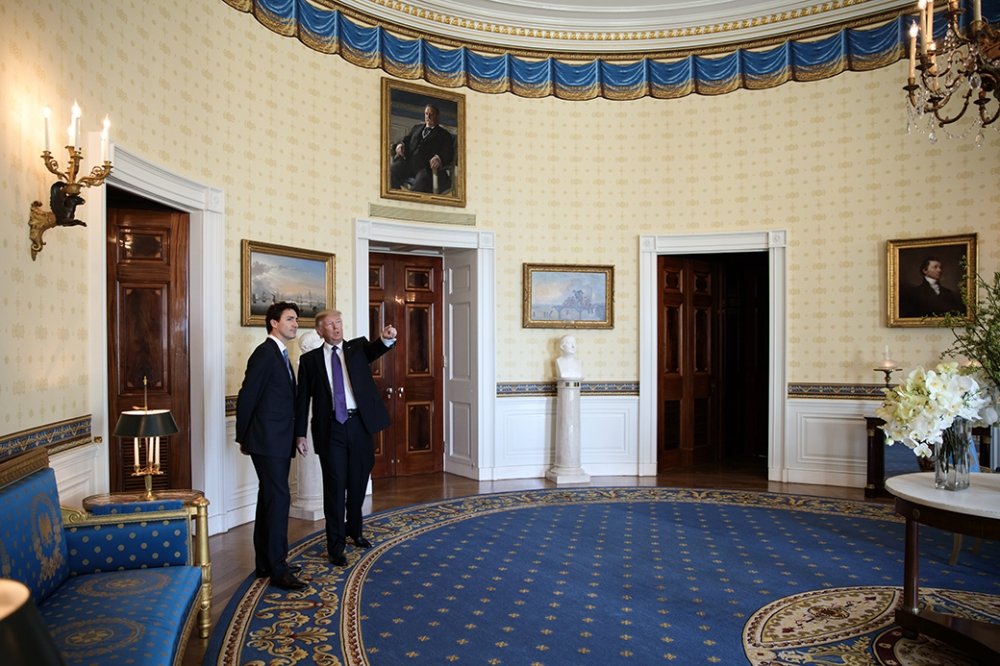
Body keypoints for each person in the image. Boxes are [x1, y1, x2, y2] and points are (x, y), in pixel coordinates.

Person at [295, 310, 398, 566]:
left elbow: (376, 349)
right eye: (330, 324)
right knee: (334, 487)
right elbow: (302, 400)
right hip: (330, 429)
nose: (336, 327)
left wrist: (385, 338)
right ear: (320, 331)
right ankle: (336, 545)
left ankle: (355, 530)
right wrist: (299, 434)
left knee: (358, 481)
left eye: (339, 322)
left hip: (359, 425)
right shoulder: (309, 361)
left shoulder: (357, 348)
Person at [235, 301, 308, 590]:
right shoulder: (265, 354)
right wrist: (244, 437)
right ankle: (278, 569)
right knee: (279, 500)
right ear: (273, 323)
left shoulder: (280, 354)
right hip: (266, 440)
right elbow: (247, 396)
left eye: (296, 320)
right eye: (290, 319)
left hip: (276, 439)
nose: (295, 324)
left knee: (269, 499)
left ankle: (265, 563)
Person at [390, 104, 454, 194]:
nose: (428, 116)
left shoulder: (444, 134)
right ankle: (395, 197)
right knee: (392, 170)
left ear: (437, 116)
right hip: (409, 163)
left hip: (426, 168)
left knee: (420, 182)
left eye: (431, 114)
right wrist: (400, 145)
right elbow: (406, 140)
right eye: (426, 114)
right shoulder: (416, 128)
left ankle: (412, 204)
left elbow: (448, 152)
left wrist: (438, 158)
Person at [899, 256, 965, 318]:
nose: (939, 270)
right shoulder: (915, 293)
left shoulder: (948, 293)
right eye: (935, 267)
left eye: (940, 267)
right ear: (925, 270)